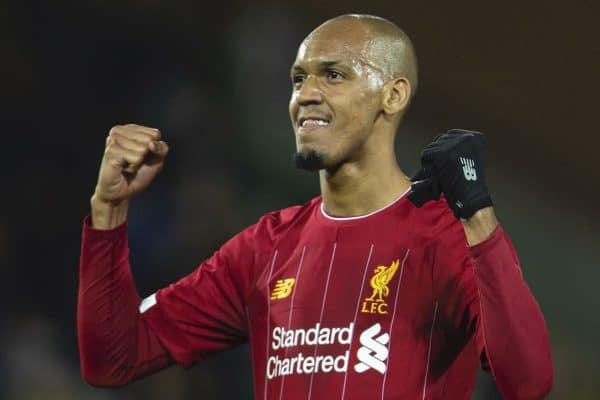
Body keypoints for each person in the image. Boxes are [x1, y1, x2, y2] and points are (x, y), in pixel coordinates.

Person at [78, 14, 553, 399]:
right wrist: (108, 210)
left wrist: (477, 211)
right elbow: (114, 359)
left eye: (334, 75)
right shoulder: (266, 247)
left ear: (393, 94)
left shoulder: (448, 236)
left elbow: (529, 381)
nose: (305, 94)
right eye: (298, 78)